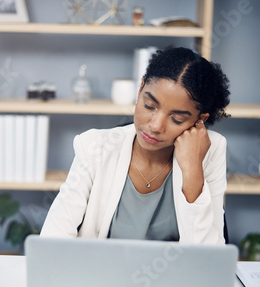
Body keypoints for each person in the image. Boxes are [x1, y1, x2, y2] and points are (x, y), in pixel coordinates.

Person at [40, 46, 230, 245]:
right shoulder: (94, 147)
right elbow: (53, 239)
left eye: (176, 118)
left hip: (174, 276)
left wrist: (193, 170)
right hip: (103, 274)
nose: (156, 126)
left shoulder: (210, 150)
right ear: (140, 91)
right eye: (149, 105)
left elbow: (208, 257)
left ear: (200, 120)